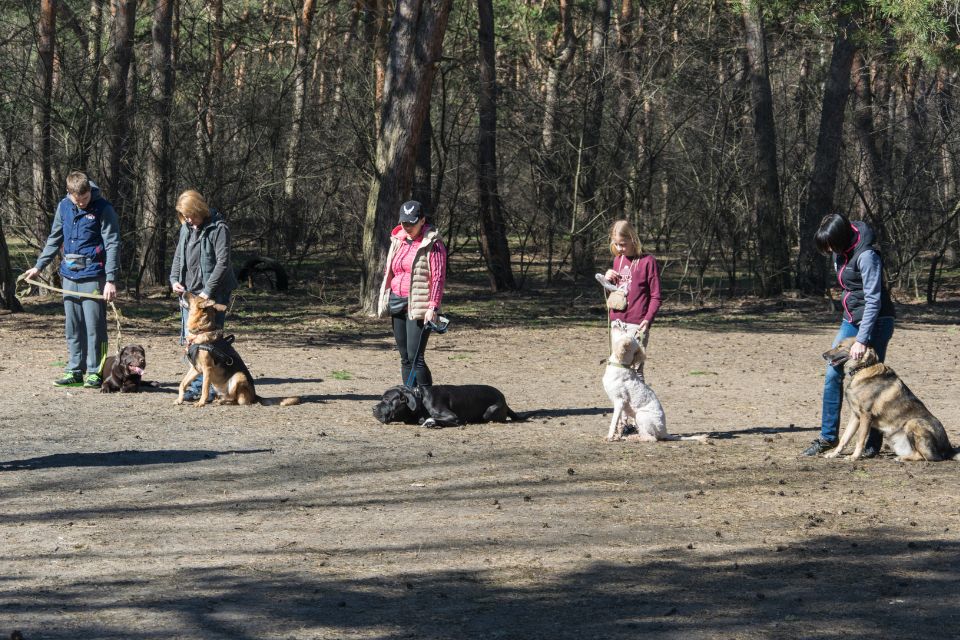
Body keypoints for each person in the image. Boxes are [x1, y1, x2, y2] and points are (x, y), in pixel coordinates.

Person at [803, 213, 895, 457]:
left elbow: (873, 300)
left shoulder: (867, 255)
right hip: (852, 319)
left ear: (841, 238)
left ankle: (871, 444)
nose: (829, 250)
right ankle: (828, 438)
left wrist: (863, 340)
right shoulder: (839, 250)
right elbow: (850, 288)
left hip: (876, 321)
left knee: (873, 380)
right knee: (833, 372)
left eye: (831, 245)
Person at [23, 172, 120, 387]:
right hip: (69, 275)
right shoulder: (64, 207)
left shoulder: (103, 208)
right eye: (78, 199)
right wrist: (39, 266)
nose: (82, 203)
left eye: (85, 198)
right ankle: (75, 369)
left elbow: (112, 243)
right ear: (70, 194)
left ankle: (96, 370)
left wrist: (110, 279)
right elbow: (54, 237)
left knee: (95, 326)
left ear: (89, 192)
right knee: (73, 326)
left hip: (94, 276)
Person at [169, 189, 237, 401]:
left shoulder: (219, 228)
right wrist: (174, 280)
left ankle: (202, 389)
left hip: (213, 295)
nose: (189, 220)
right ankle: (197, 385)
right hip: (190, 294)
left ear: (201, 209)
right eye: (185, 216)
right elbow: (179, 256)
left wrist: (207, 292)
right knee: (190, 342)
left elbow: (222, 263)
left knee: (207, 344)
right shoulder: (186, 228)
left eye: (192, 215)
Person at [377, 200, 447, 387]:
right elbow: (390, 270)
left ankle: (429, 404)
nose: (407, 227)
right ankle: (411, 401)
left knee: (416, 357)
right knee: (404, 358)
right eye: (404, 223)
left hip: (419, 305)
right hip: (397, 301)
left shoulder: (433, 244)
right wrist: (385, 295)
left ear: (422, 220)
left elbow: (438, 277)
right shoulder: (398, 240)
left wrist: (433, 306)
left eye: (412, 223)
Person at [603, 219, 662, 377]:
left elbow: (656, 296)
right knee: (617, 371)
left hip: (637, 325)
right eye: (616, 244)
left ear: (633, 239)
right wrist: (607, 280)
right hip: (617, 322)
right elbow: (615, 294)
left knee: (635, 373)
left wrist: (648, 319)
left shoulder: (648, 262)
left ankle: (640, 402)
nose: (619, 248)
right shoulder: (618, 260)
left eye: (623, 244)